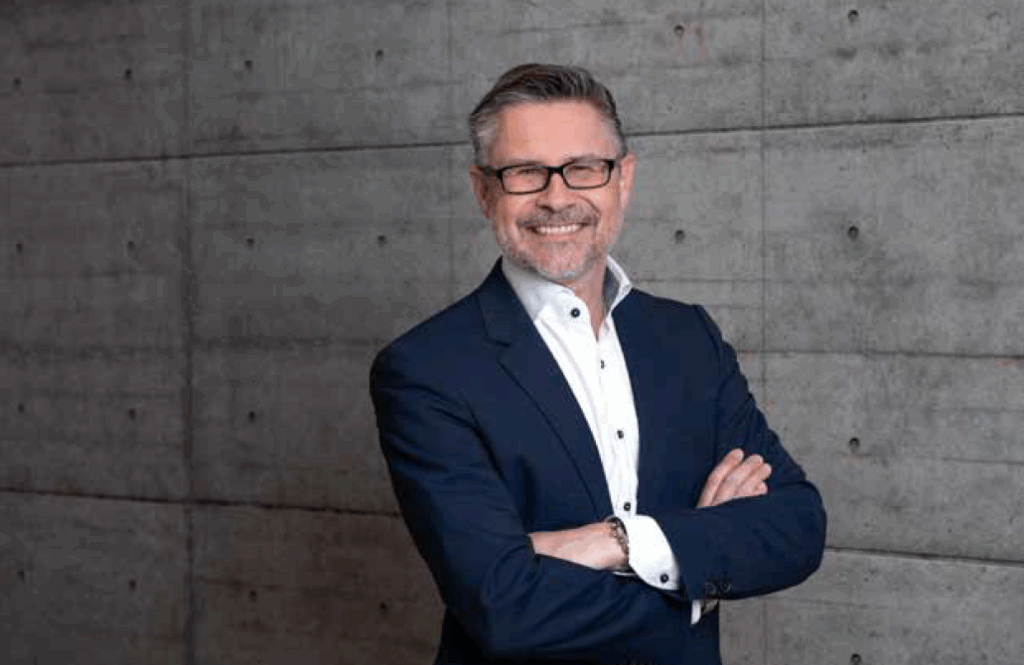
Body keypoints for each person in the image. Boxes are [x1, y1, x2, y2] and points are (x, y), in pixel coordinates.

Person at [370, 63, 826, 665]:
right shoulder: (426, 369)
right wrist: (694, 571)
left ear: (623, 180)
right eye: (525, 172)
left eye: (584, 168)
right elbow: (504, 606)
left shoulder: (687, 338)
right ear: (484, 192)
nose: (557, 197)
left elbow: (796, 526)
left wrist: (618, 541)